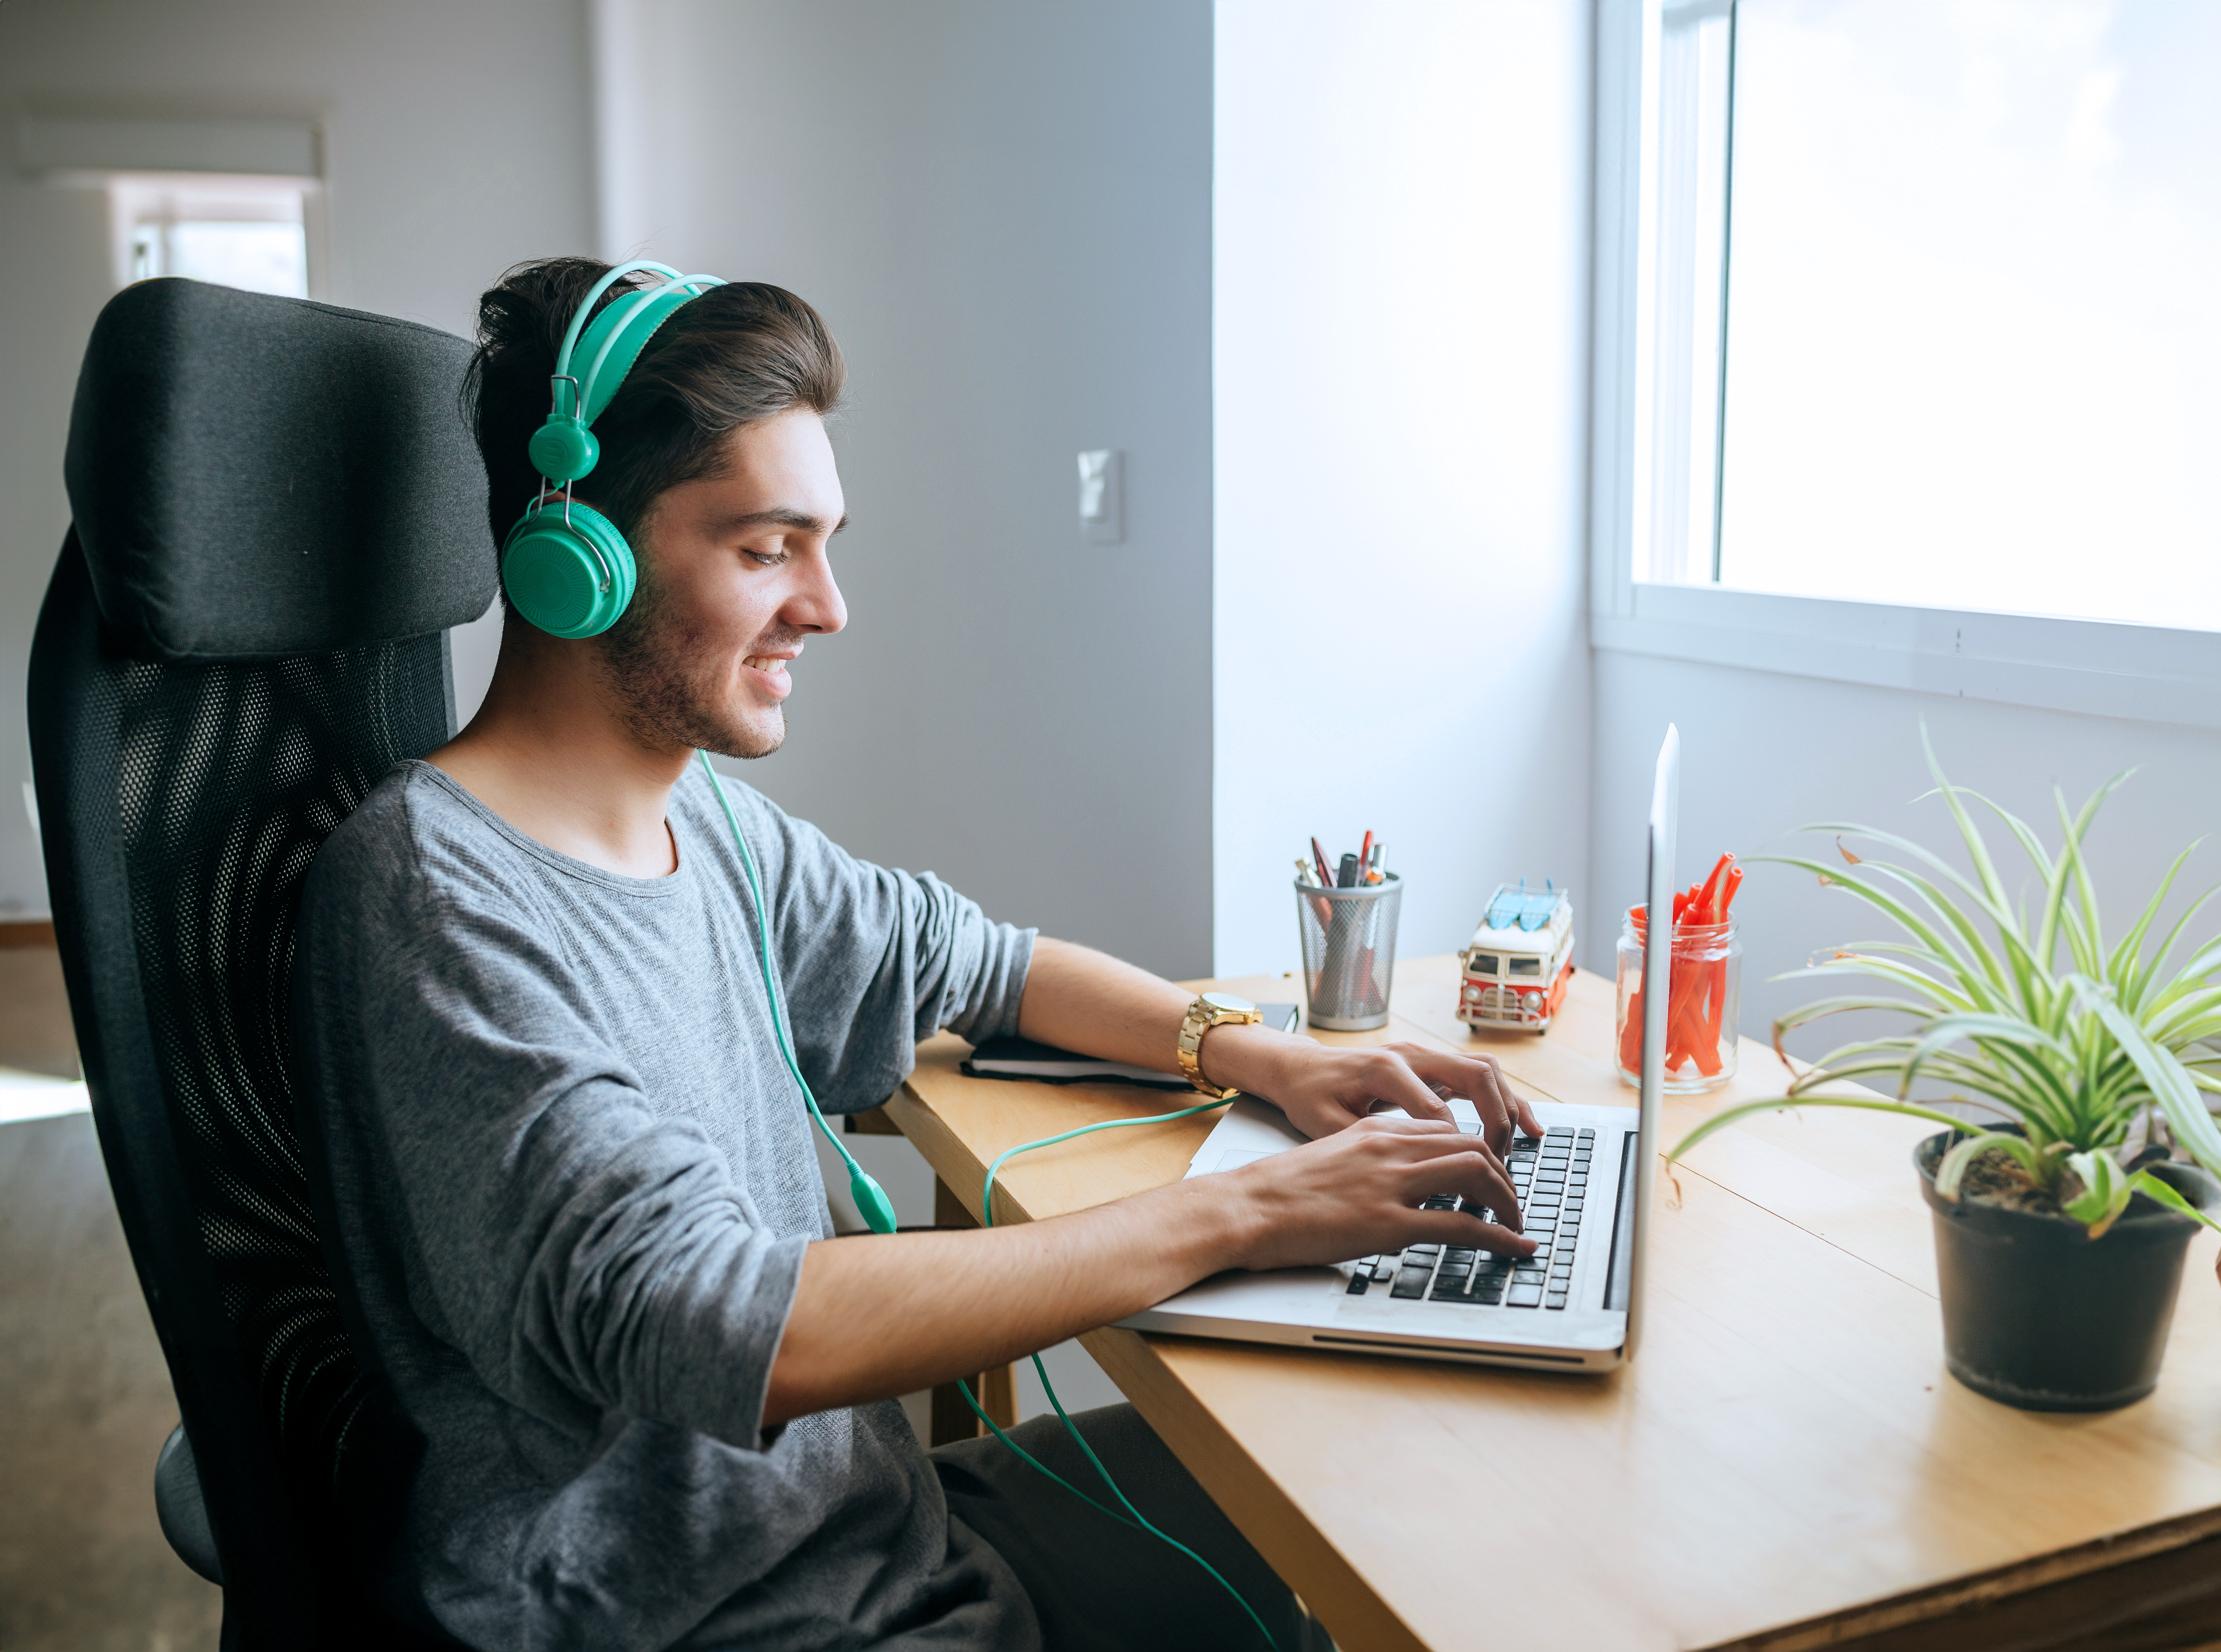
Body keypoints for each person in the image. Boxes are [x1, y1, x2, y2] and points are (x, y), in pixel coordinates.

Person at [293, 256, 1540, 1652]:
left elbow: (969, 958)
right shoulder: (429, 893)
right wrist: (1250, 1214)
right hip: (697, 1617)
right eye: (767, 548)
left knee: (1350, 1499)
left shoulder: (697, 816)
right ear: (574, 554)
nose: (828, 607)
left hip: (864, 1530)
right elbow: (730, 1323)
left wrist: (1267, 1058)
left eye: (825, 543)